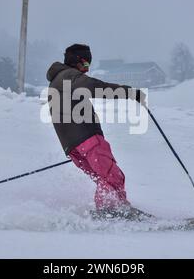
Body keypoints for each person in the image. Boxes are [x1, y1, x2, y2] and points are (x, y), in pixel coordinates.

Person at [46, 44, 151, 220]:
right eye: (86, 64)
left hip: (73, 147)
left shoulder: (56, 82)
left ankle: (109, 209)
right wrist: (130, 93)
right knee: (112, 176)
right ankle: (112, 211)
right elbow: (95, 87)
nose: (87, 70)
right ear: (76, 61)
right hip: (87, 138)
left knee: (104, 179)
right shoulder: (70, 76)